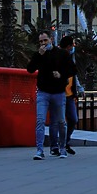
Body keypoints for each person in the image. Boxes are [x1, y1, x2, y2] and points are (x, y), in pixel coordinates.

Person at [27, 30, 73, 160]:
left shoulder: (62, 54)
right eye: (41, 41)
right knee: (40, 120)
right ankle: (39, 150)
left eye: (45, 40)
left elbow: (72, 69)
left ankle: (62, 148)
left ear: (51, 39)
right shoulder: (39, 55)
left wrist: (61, 75)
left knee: (61, 121)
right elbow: (30, 69)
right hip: (43, 92)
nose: (43, 43)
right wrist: (38, 55)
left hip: (58, 92)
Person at [60, 34, 84, 155]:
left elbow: (74, 75)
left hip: (70, 95)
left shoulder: (71, 57)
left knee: (73, 119)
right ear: (68, 46)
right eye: (72, 45)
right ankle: (60, 145)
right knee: (60, 121)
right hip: (59, 95)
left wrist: (79, 88)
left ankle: (65, 141)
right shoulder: (58, 57)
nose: (73, 47)